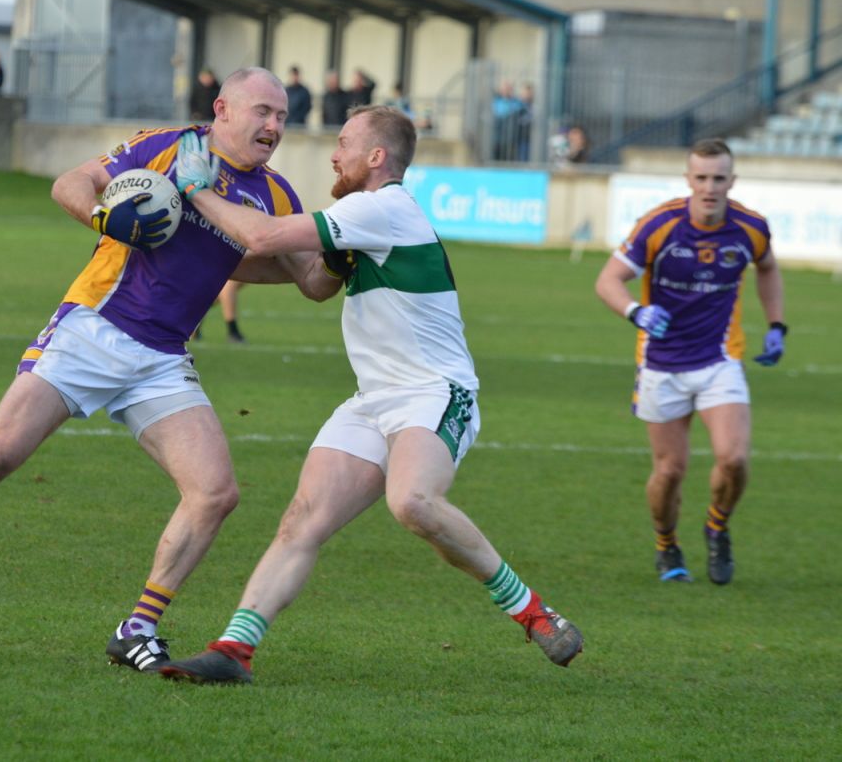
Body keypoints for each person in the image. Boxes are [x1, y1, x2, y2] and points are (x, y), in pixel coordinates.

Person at [0, 67, 342, 671]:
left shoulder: (276, 194)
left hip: (162, 358)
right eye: (263, 112)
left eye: (281, 116)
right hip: (93, 328)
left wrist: (346, 245)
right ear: (222, 108)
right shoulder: (168, 147)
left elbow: (310, 281)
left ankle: (137, 627)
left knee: (214, 494)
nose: (274, 126)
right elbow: (72, 182)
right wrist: (104, 217)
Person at [156, 105, 584, 684]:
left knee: (412, 502)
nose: (334, 154)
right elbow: (312, 283)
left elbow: (262, 235)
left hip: (435, 391)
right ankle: (234, 649)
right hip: (373, 398)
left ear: (376, 157)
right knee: (300, 520)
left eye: (344, 143)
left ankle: (533, 612)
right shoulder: (360, 218)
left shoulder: (380, 208)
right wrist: (182, 246)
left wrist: (196, 192)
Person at [594, 138, 786, 586]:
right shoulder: (659, 225)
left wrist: (777, 325)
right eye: (701, 178)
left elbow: (769, 267)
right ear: (688, 180)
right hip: (661, 364)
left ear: (732, 181)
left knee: (734, 458)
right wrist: (635, 312)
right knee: (670, 470)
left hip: (720, 358)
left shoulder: (751, 227)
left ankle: (717, 526)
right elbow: (608, 279)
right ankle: (666, 545)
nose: (710, 187)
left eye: (719, 178)